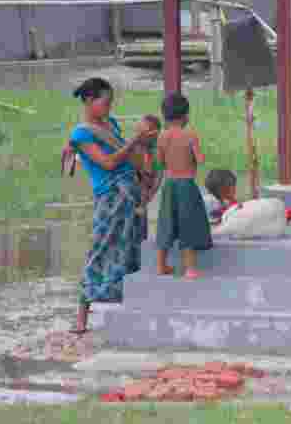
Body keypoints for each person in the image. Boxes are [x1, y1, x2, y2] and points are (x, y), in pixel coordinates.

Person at [68, 77, 156, 335]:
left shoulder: (110, 124)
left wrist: (145, 171)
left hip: (130, 195)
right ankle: (82, 316)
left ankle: (130, 306)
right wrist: (134, 142)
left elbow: (131, 158)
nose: (108, 108)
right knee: (101, 248)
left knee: (131, 247)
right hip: (110, 198)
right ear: (88, 101)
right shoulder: (82, 133)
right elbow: (107, 163)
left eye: (110, 103)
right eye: (104, 103)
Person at [155, 92, 213, 278]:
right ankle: (190, 268)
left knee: (166, 222)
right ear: (186, 115)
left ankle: (161, 265)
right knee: (188, 223)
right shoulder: (190, 135)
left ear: (165, 115)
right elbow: (200, 159)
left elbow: (160, 162)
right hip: (187, 184)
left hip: (169, 184)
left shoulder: (162, 136)